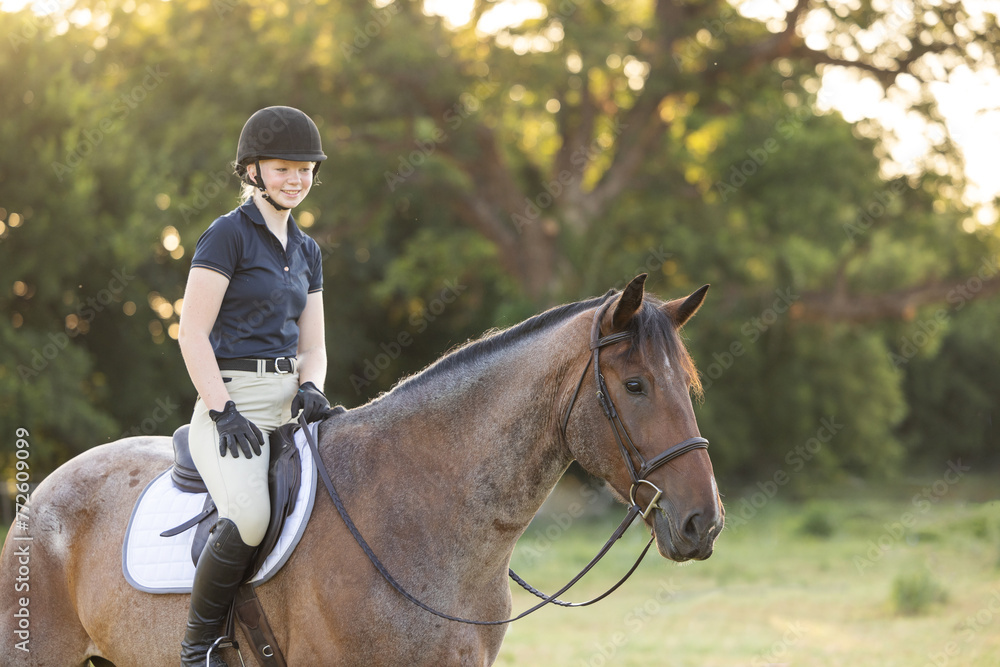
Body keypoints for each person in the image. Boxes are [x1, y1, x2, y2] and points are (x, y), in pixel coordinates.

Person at [176, 106, 334, 666]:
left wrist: (312, 387)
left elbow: (312, 345)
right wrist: (223, 409)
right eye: (283, 168)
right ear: (253, 170)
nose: (296, 179)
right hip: (230, 403)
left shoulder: (308, 250)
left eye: (305, 170)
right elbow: (191, 332)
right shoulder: (226, 236)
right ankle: (197, 649)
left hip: (290, 402)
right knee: (249, 518)